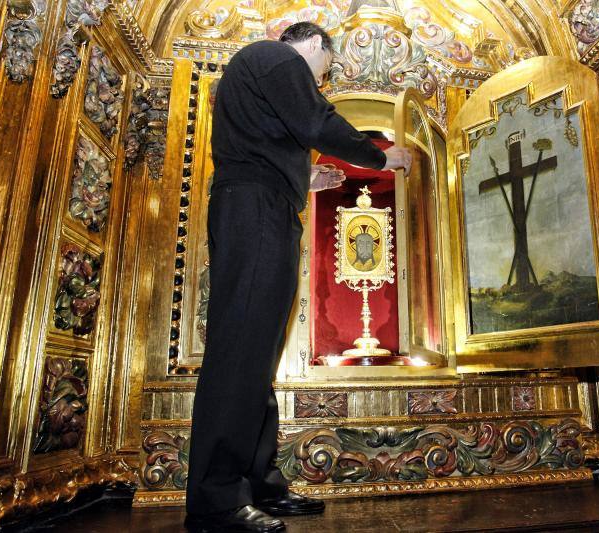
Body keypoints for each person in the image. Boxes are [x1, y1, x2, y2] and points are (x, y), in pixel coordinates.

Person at [184, 22, 412, 533]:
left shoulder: (258, 73)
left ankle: (259, 485)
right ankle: (216, 501)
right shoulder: (278, 56)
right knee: (242, 350)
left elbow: (264, 144)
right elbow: (315, 120)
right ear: (313, 46)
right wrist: (381, 156)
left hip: (260, 206)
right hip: (255, 211)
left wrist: (302, 178)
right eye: (325, 71)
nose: (322, 82)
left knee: (257, 354)